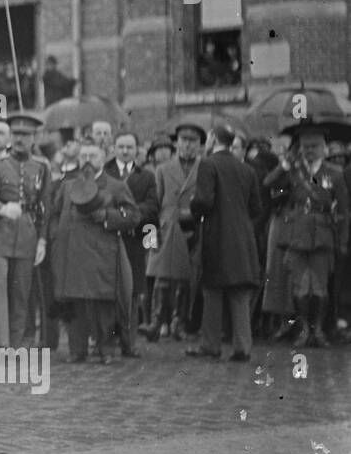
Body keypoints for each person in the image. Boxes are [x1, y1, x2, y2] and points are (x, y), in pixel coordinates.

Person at [47, 141, 140, 363]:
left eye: (93, 156)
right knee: (74, 302)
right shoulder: (68, 186)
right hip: (72, 252)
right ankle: (76, 350)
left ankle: (106, 349)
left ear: (103, 158)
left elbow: (134, 215)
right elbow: (55, 213)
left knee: (103, 305)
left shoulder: (115, 186)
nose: (88, 160)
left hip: (102, 253)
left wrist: (108, 216)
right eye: (84, 156)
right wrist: (57, 236)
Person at [263, 121, 350, 349]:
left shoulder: (335, 173)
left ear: (323, 148)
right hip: (298, 234)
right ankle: (303, 329)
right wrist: (283, 164)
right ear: (300, 147)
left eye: (314, 146)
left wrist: (342, 240)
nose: (309, 151)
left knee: (320, 288)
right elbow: (268, 183)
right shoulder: (294, 171)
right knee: (300, 288)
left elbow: (343, 210)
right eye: (306, 146)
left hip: (322, 235)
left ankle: (318, 329)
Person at [187, 125, 262, 361]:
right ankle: (242, 347)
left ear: (212, 138)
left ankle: (211, 345)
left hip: (216, 236)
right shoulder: (246, 169)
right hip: (243, 239)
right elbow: (256, 208)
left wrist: (193, 204)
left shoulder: (208, 164)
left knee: (212, 291)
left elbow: (204, 201)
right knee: (239, 293)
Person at [0, 113, 50, 349]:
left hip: (27, 236)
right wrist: (2, 209)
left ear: (34, 138)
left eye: (26, 135)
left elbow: (45, 206)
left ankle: (17, 341)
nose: (20, 139)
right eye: (17, 134)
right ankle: (2, 345)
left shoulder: (41, 167)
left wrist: (42, 240)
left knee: (21, 292)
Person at [149, 122, 204, 341]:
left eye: (193, 142)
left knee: (186, 279)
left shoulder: (205, 167)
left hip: (192, 228)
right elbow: (154, 205)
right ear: (177, 143)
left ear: (200, 145)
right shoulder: (163, 170)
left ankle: (179, 322)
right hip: (168, 227)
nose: (188, 146)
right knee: (162, 279)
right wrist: (152, 235)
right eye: (184, 141)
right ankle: (157, 321)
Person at [105, 131, 159, 340]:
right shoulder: (106, 173)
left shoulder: (146, 176)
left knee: (133, 290)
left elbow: (152, 205)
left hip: (135, 238)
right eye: (121, 147)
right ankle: (108, 336)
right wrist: (119, 216)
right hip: (109, 238)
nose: (125, 151)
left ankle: (130, 339)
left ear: (137, 150)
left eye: (129, 147)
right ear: (114, 148)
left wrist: (131, 214)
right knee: (109, 287)